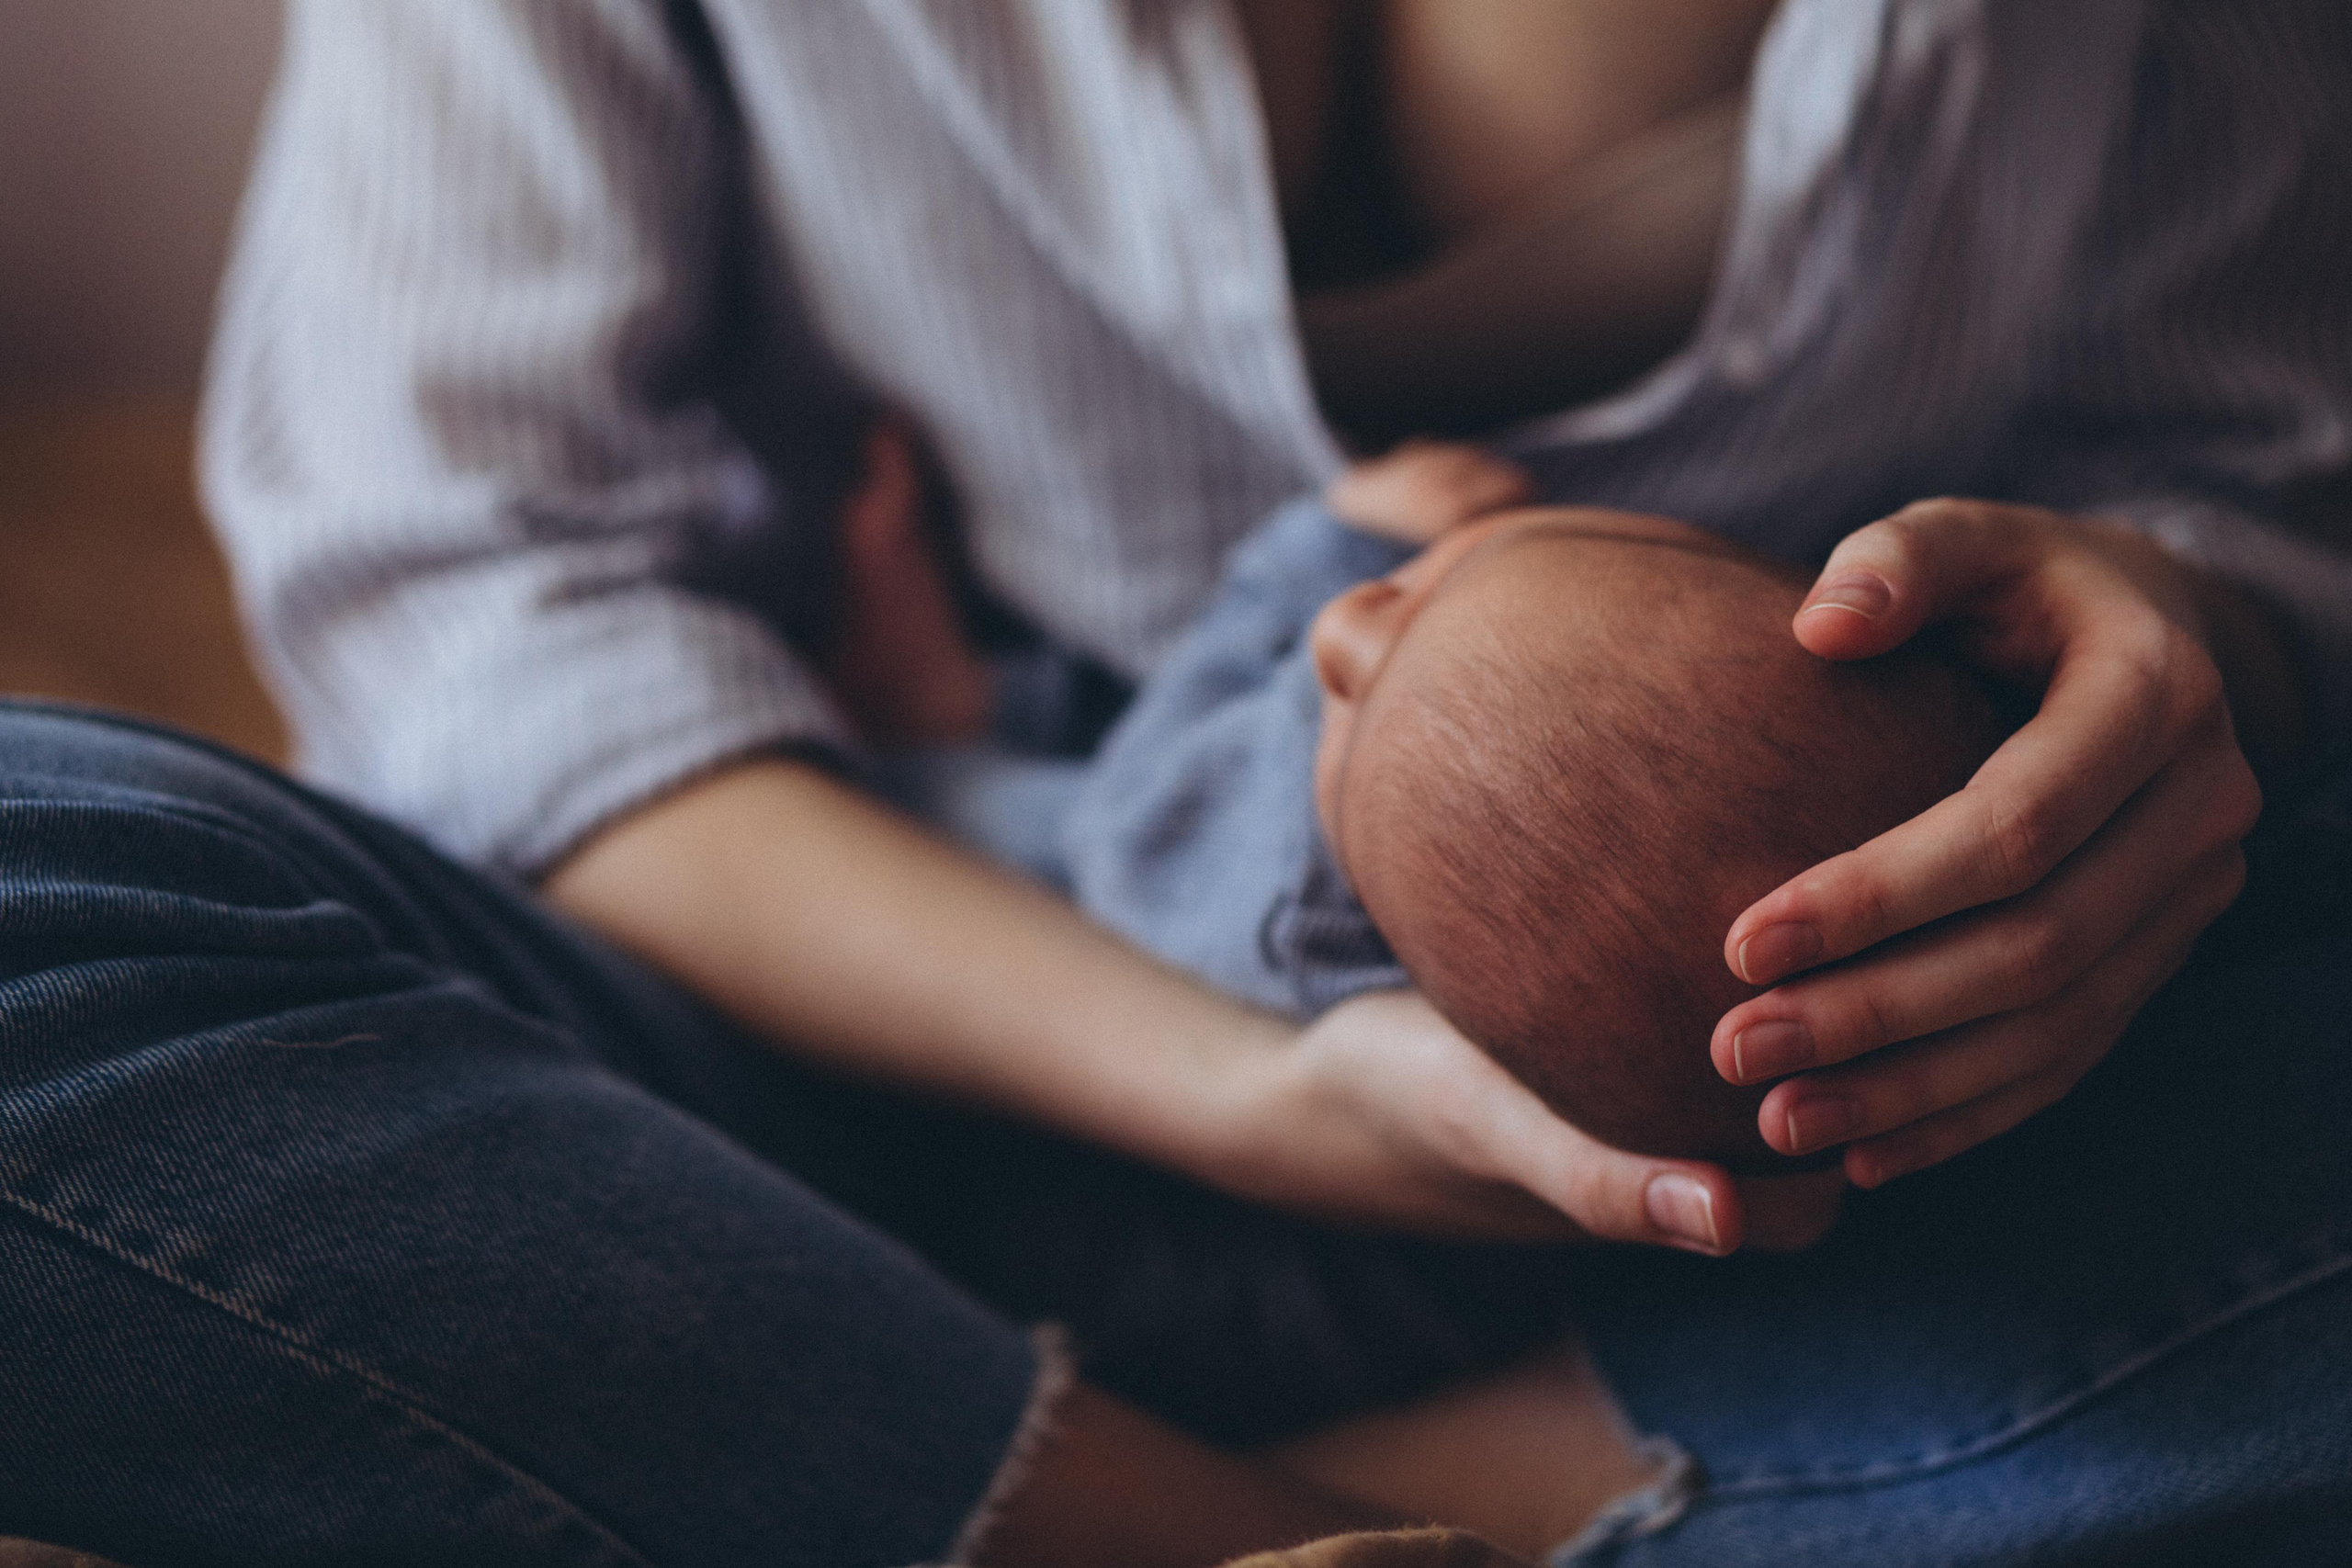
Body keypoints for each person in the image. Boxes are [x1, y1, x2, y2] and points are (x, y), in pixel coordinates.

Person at [2, 1, 2346, 1562]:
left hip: (1788, 1183)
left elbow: (2248, 466)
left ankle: (953, 1463)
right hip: (841, 1038)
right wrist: (1242, 1083)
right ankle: (1390, 1506)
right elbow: (480, 624)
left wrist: (2175, 635)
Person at [1057, 444, 2007, 1169]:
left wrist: (1326, 549)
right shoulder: (1493, 890)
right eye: (1441, 584)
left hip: (1093, 835)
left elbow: (1113, 819)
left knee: (1013, 789)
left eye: (1356, 699)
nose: (1349, 627)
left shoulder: (1277, 883)